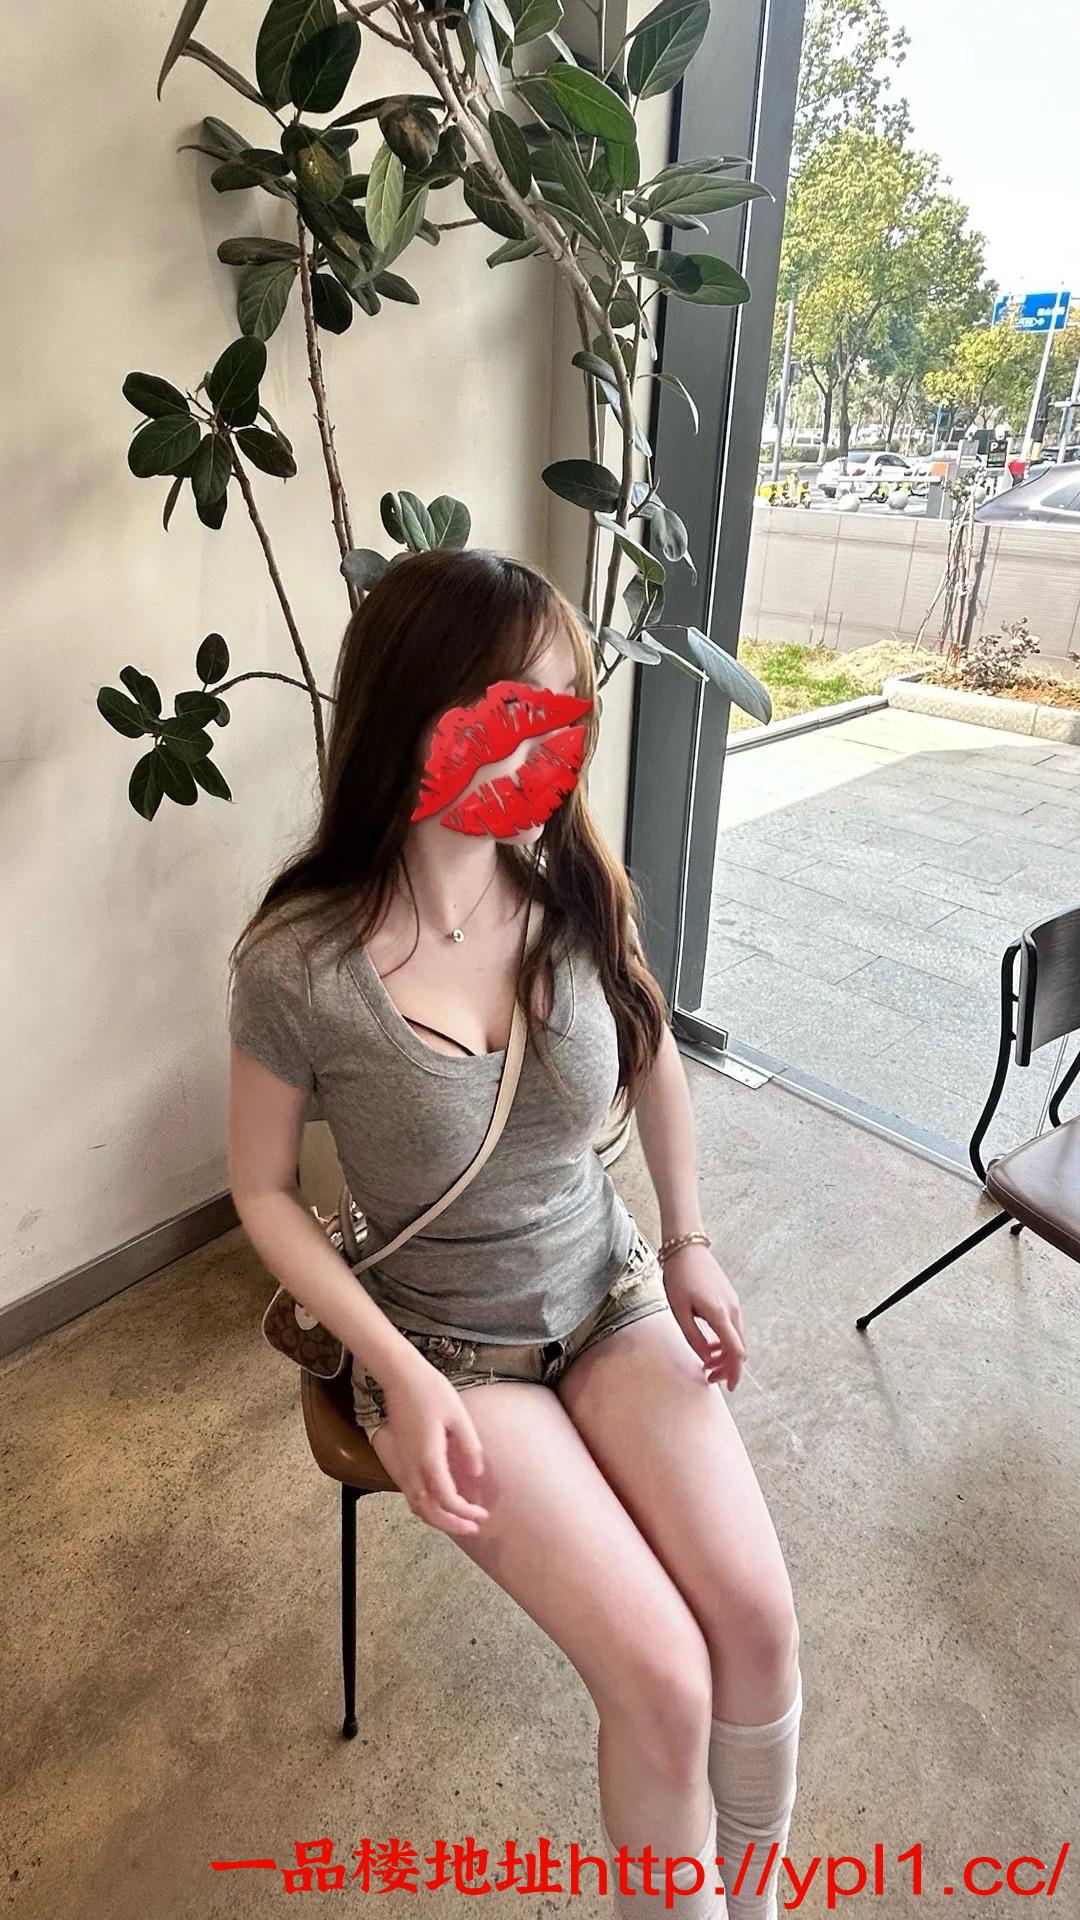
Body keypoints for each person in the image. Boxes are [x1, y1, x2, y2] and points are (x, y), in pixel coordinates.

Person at [227, 548, 802, 1917]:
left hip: (605, 1294)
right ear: (422, 710)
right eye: (520, 705)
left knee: (758, 1626)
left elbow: (650, 1049)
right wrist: (398, 1375)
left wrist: (687, 1242)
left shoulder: (569, 891)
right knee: (663, 1680)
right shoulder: (299, 964)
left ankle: (759, 1894)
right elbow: (261, 1191)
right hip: (446, 1349)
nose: (554, 741)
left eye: (564, 709)